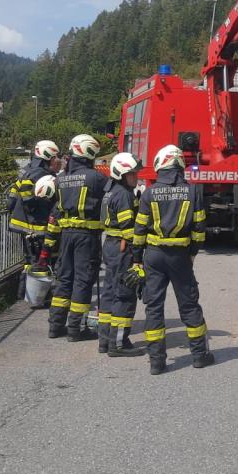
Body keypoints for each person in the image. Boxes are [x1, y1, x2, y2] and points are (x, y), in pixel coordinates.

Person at [130, 144, 213, 375]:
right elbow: (199, 230)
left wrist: (137, 259)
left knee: (154, 307)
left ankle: (157, 362)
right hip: (180, 257)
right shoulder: (193, 192)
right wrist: (192, 253)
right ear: (180, 165)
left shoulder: (149, 193)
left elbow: (139, 231)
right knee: (189, 305)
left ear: (160, 165)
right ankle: (199, 356)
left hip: (153, 256)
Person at [46, 134, 109, 341]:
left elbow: (56, 208)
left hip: (66, 236)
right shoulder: (97, 178)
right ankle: (76, 328)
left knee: (64, 278)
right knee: (83, 279)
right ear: (89, 153)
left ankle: (55, 326)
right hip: (87, 237)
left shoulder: (60, 179)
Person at [98, 151, 144, 356]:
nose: (136, 176)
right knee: (124, 295)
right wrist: (138, 258)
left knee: (109, 292)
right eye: (133, 173)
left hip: (111, 245)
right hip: (123, 248)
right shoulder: (124, 195)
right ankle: (119, 344)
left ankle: (105, 340)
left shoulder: (111, 191)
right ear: (122, 174)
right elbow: (129, 229)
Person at [7, 140, 59, 296]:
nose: (56, 160)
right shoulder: (40, 173)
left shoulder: (27, 170)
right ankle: (39, 296)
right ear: (48, 156)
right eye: (55, 157)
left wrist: (12, 208)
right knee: (39, 260)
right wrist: (42, 202)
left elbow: (13, 194)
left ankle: (23, 292)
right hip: (35, 224)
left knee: (30, 260)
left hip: (24, 223)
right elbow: (27, 196)